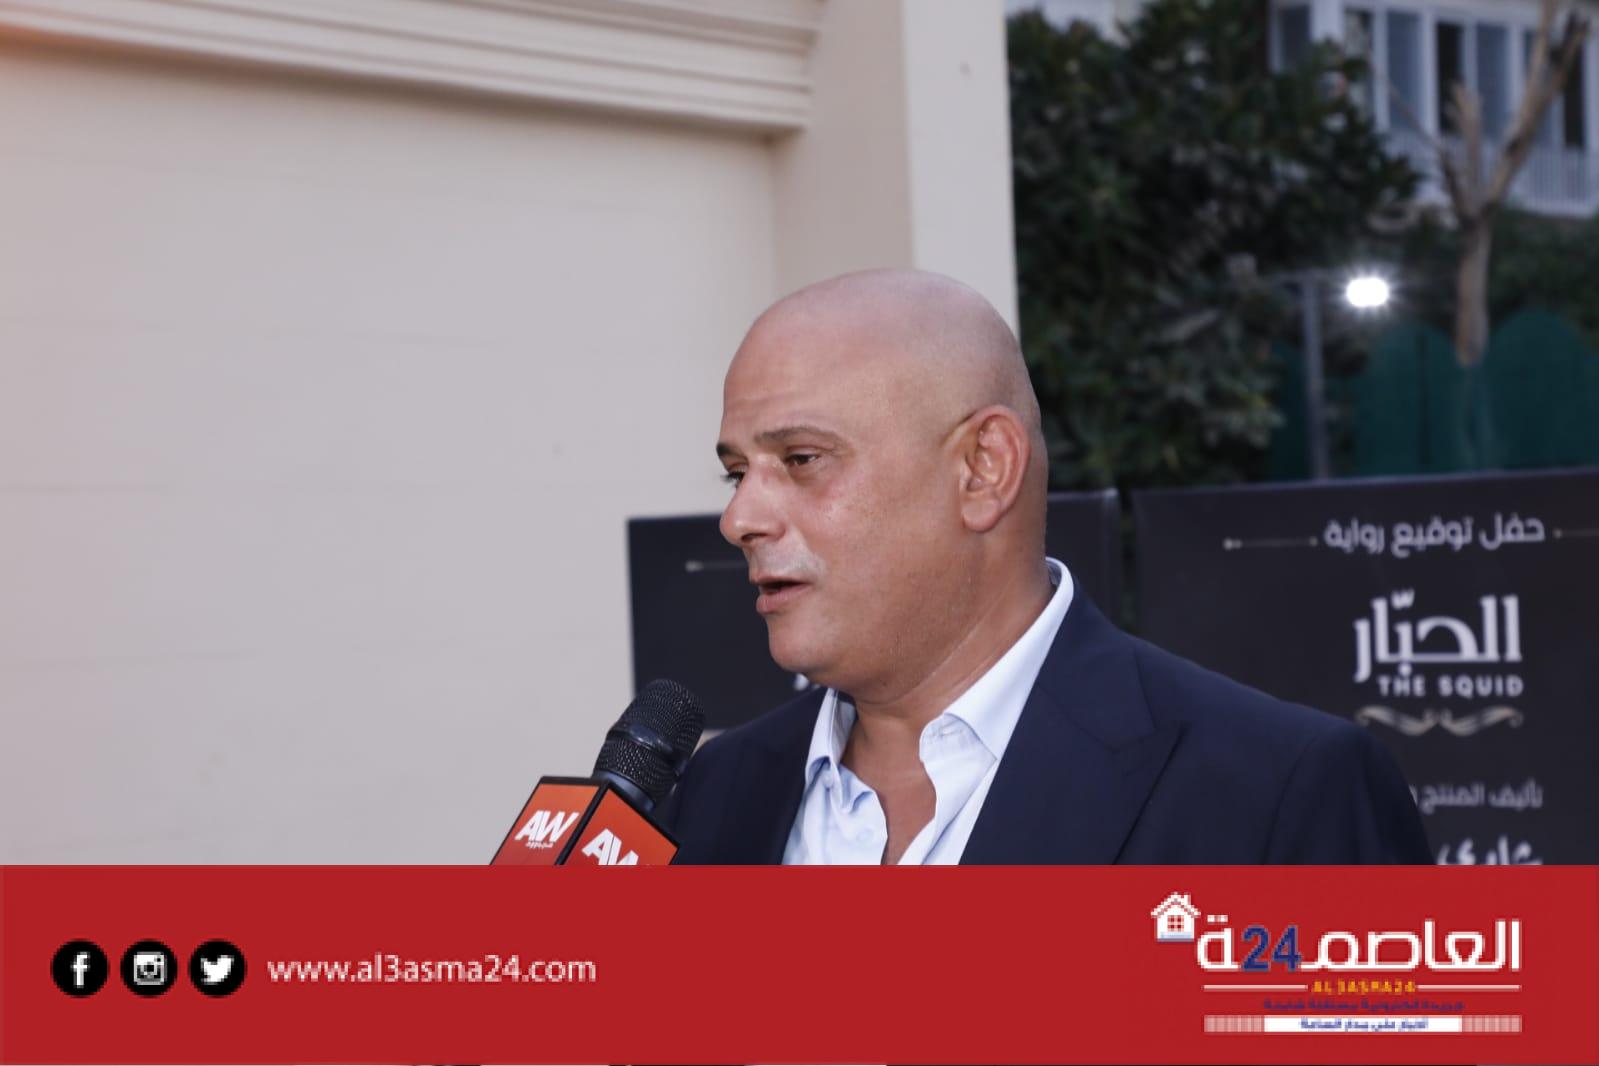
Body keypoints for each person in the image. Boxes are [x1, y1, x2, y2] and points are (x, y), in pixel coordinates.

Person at [658, 268, 1430, 864]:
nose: (738, 519)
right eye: (736, 473)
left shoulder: (1277, 793)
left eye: (801, 459)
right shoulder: (712, 795)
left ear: (983, 470)